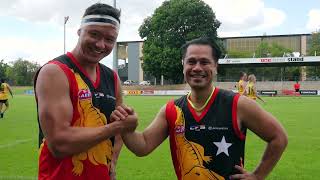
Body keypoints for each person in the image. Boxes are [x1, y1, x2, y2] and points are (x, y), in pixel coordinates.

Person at [112, 37, 288, 179]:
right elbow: (142, 146)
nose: (197, 68)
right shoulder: (171, 110)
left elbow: (278, 137)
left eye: (204, 62)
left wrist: (258, 176)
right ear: (183, 65)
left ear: (215, 66)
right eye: (191, 62)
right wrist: (127, 128)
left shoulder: (238, 104)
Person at [34, 3, 137, 180]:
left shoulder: (111, 77)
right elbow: (59, 143)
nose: (100, 44)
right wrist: (116, 127)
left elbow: (120, 126)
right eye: (94, 34)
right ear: (80, 31)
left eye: (110, 39)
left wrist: (112, 162)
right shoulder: (55, 72)